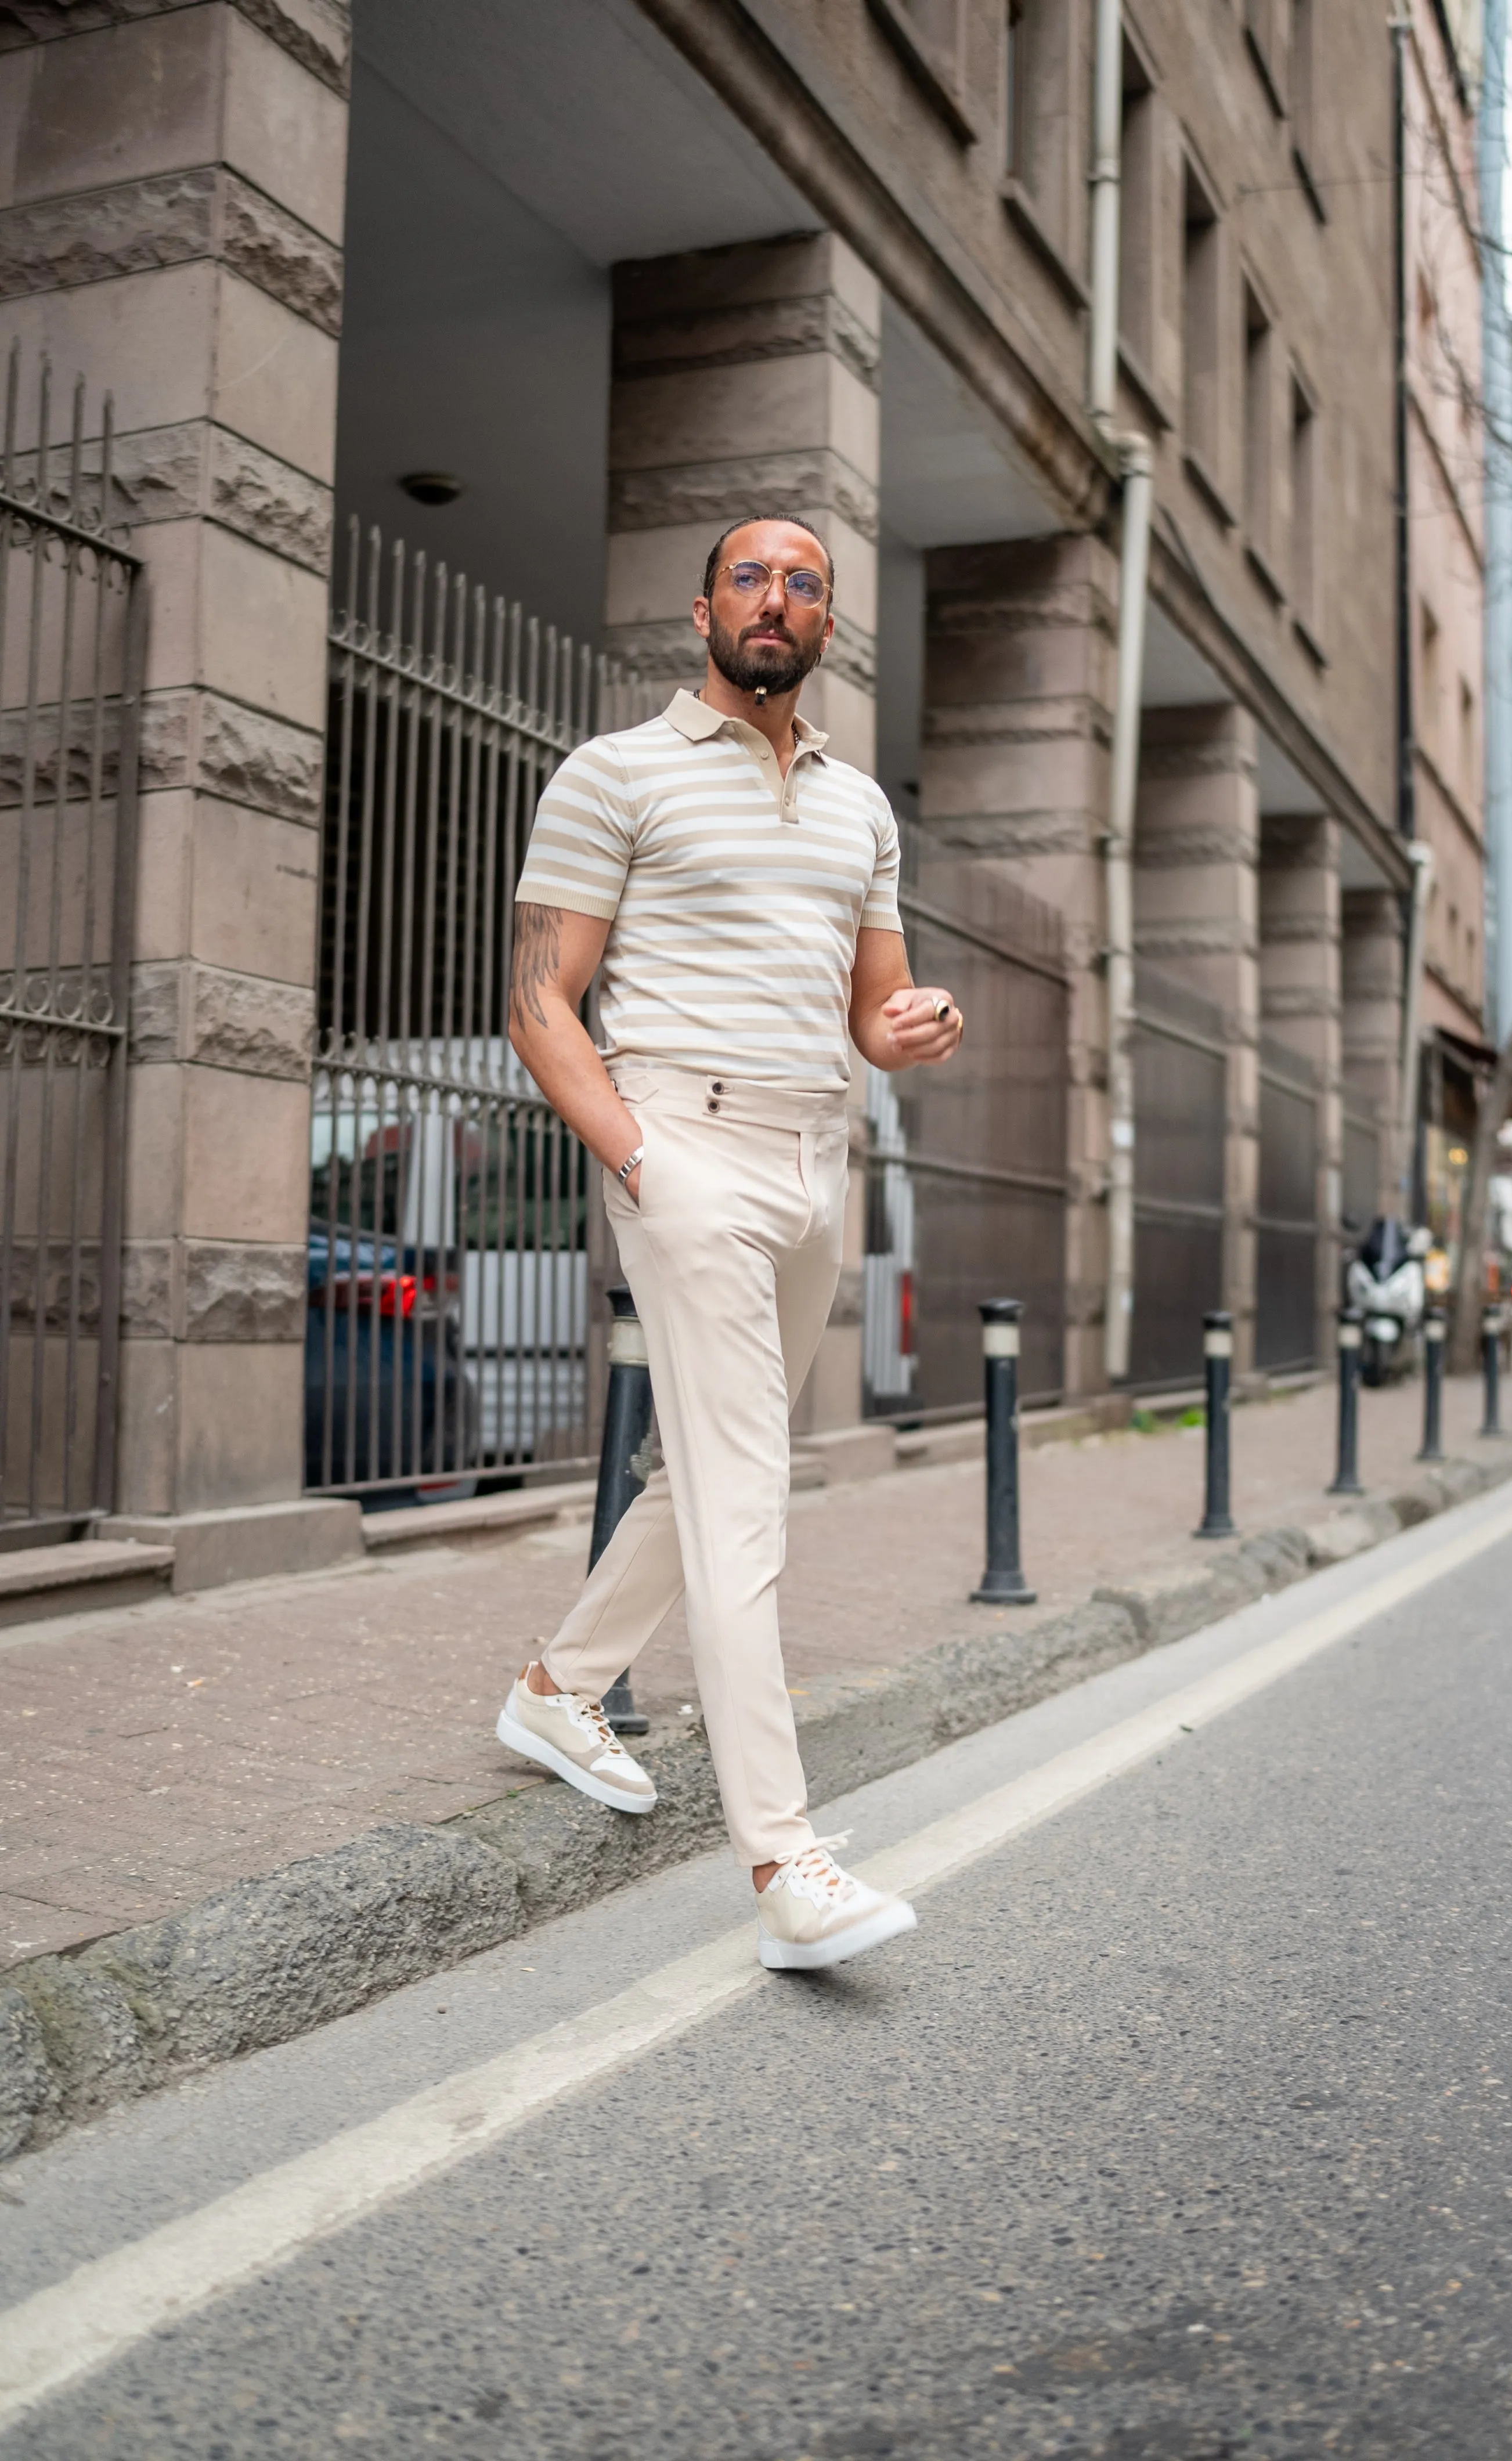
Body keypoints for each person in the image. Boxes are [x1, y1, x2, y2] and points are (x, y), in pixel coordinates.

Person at [496, 514, 964, 1971]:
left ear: (831, 624)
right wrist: (641, 1158)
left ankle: (558, 1685)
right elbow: (539, 1000)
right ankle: (786, 1858)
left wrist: (911, 1027)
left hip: (819, 1153)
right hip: (680, 1145)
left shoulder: (861, 809)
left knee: (704, 1466)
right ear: (703, 607)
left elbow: (869, 1009)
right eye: (751, 576)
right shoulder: (614, 774)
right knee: (751, 1482)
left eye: (804, 581)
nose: (777, 597)